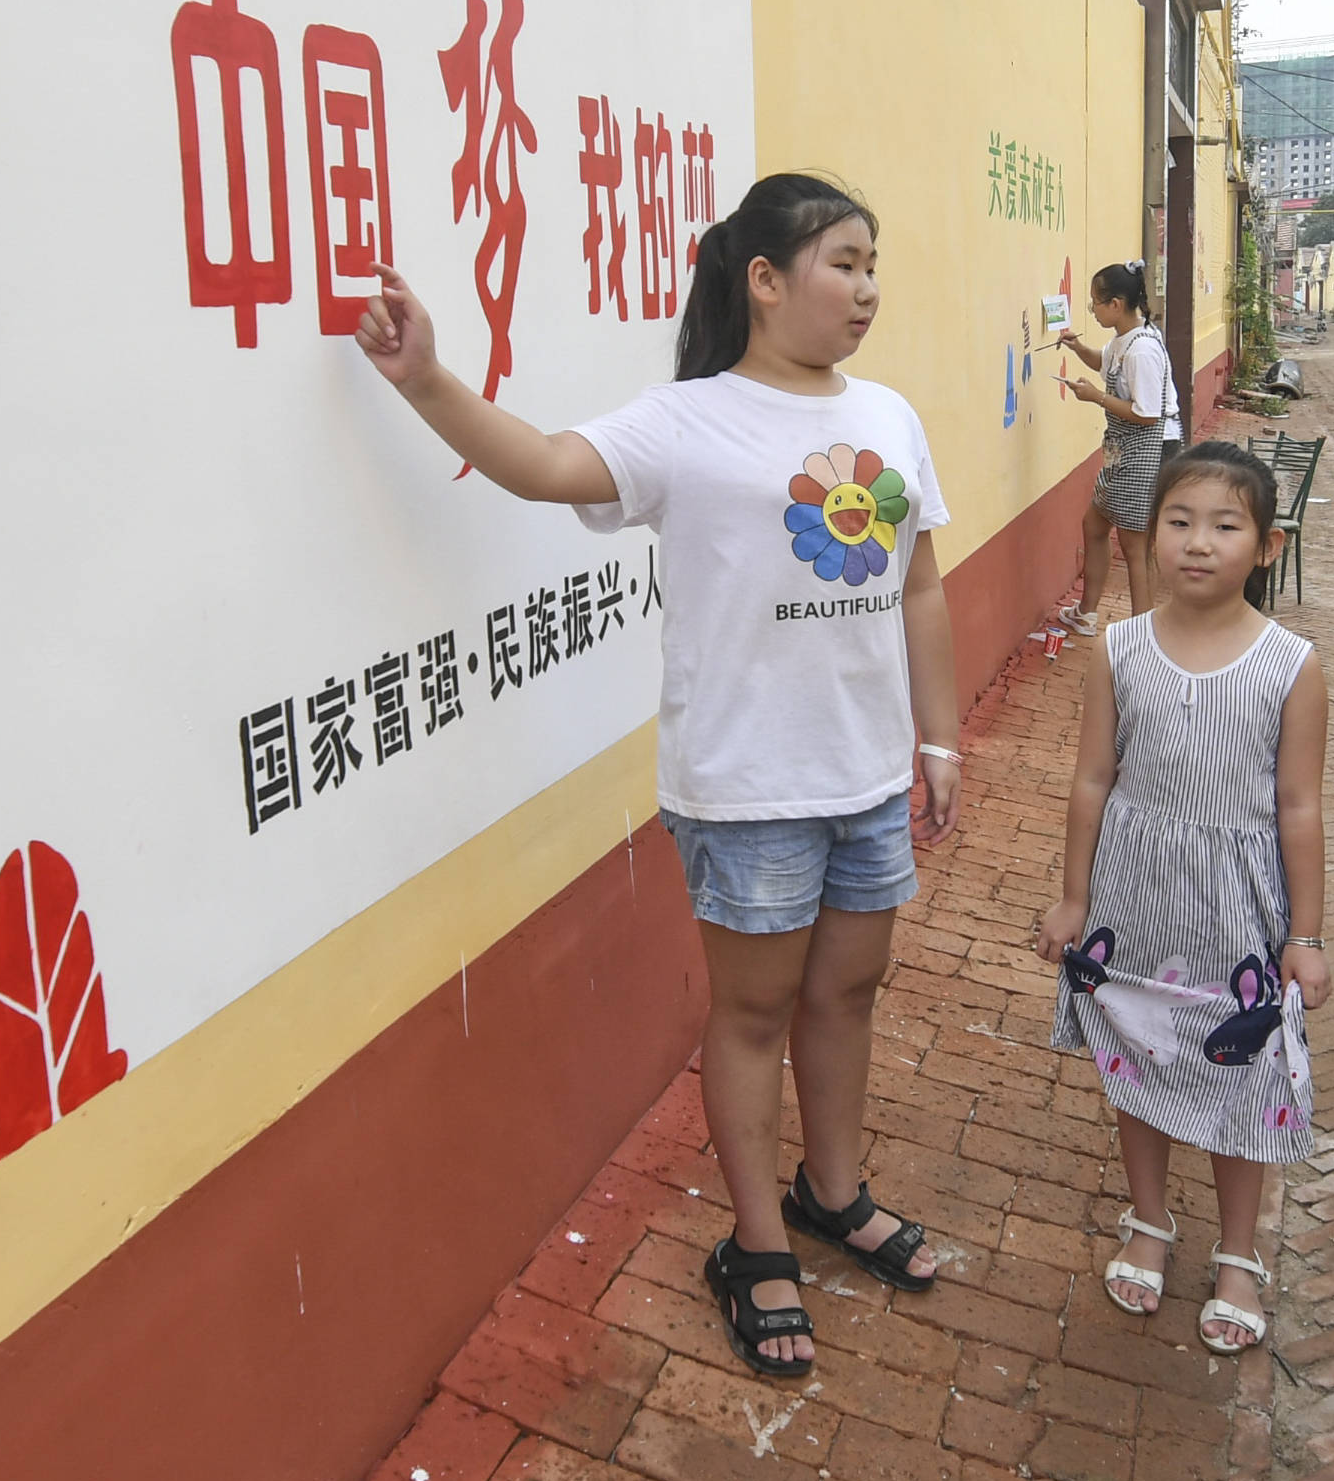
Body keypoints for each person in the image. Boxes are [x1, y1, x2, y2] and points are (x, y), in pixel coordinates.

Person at [353, 171, 959, 1381]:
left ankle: (835, 1194)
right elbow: (538, 465)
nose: (867, 289)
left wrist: (936, 742)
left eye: (872, 264)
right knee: (751, 1013)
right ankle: (757, 1243)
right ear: (766, 280)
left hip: (862, 777)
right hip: (744, 788)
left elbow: (920, 583)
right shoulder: (686, 421)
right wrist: (424, 378)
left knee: (847, 994)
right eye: (844, 262)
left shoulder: (888, 415)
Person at [1038, 443, 1327, 1355]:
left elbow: (1299, 805)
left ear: (1267, 545)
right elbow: (1092, 780)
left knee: (1240, 1079)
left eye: (1225, 525)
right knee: (1139, 1060)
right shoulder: (1119, 648)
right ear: (1152, 531)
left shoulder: (1291, 664)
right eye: (1179, 521)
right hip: (1135, 900)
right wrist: (1073, 895)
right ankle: (1151, 1218)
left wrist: (1306, 934)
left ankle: (1239, 1252)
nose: (1199, 543)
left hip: (1240, 912)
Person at [1055, 262, 1180, 632]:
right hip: (1121, 450)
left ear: (1116, 303)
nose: (1091, 309)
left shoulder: (1143, 350)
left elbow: (1146, 414)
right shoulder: (1123, 339)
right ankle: (1087, 612)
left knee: (1135, 545)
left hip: (1150, 450)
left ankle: (1143, 632)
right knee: (1094, 524)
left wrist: (1095, 398)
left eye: (1095, 302)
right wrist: (1078, 348)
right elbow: (1105, 362)